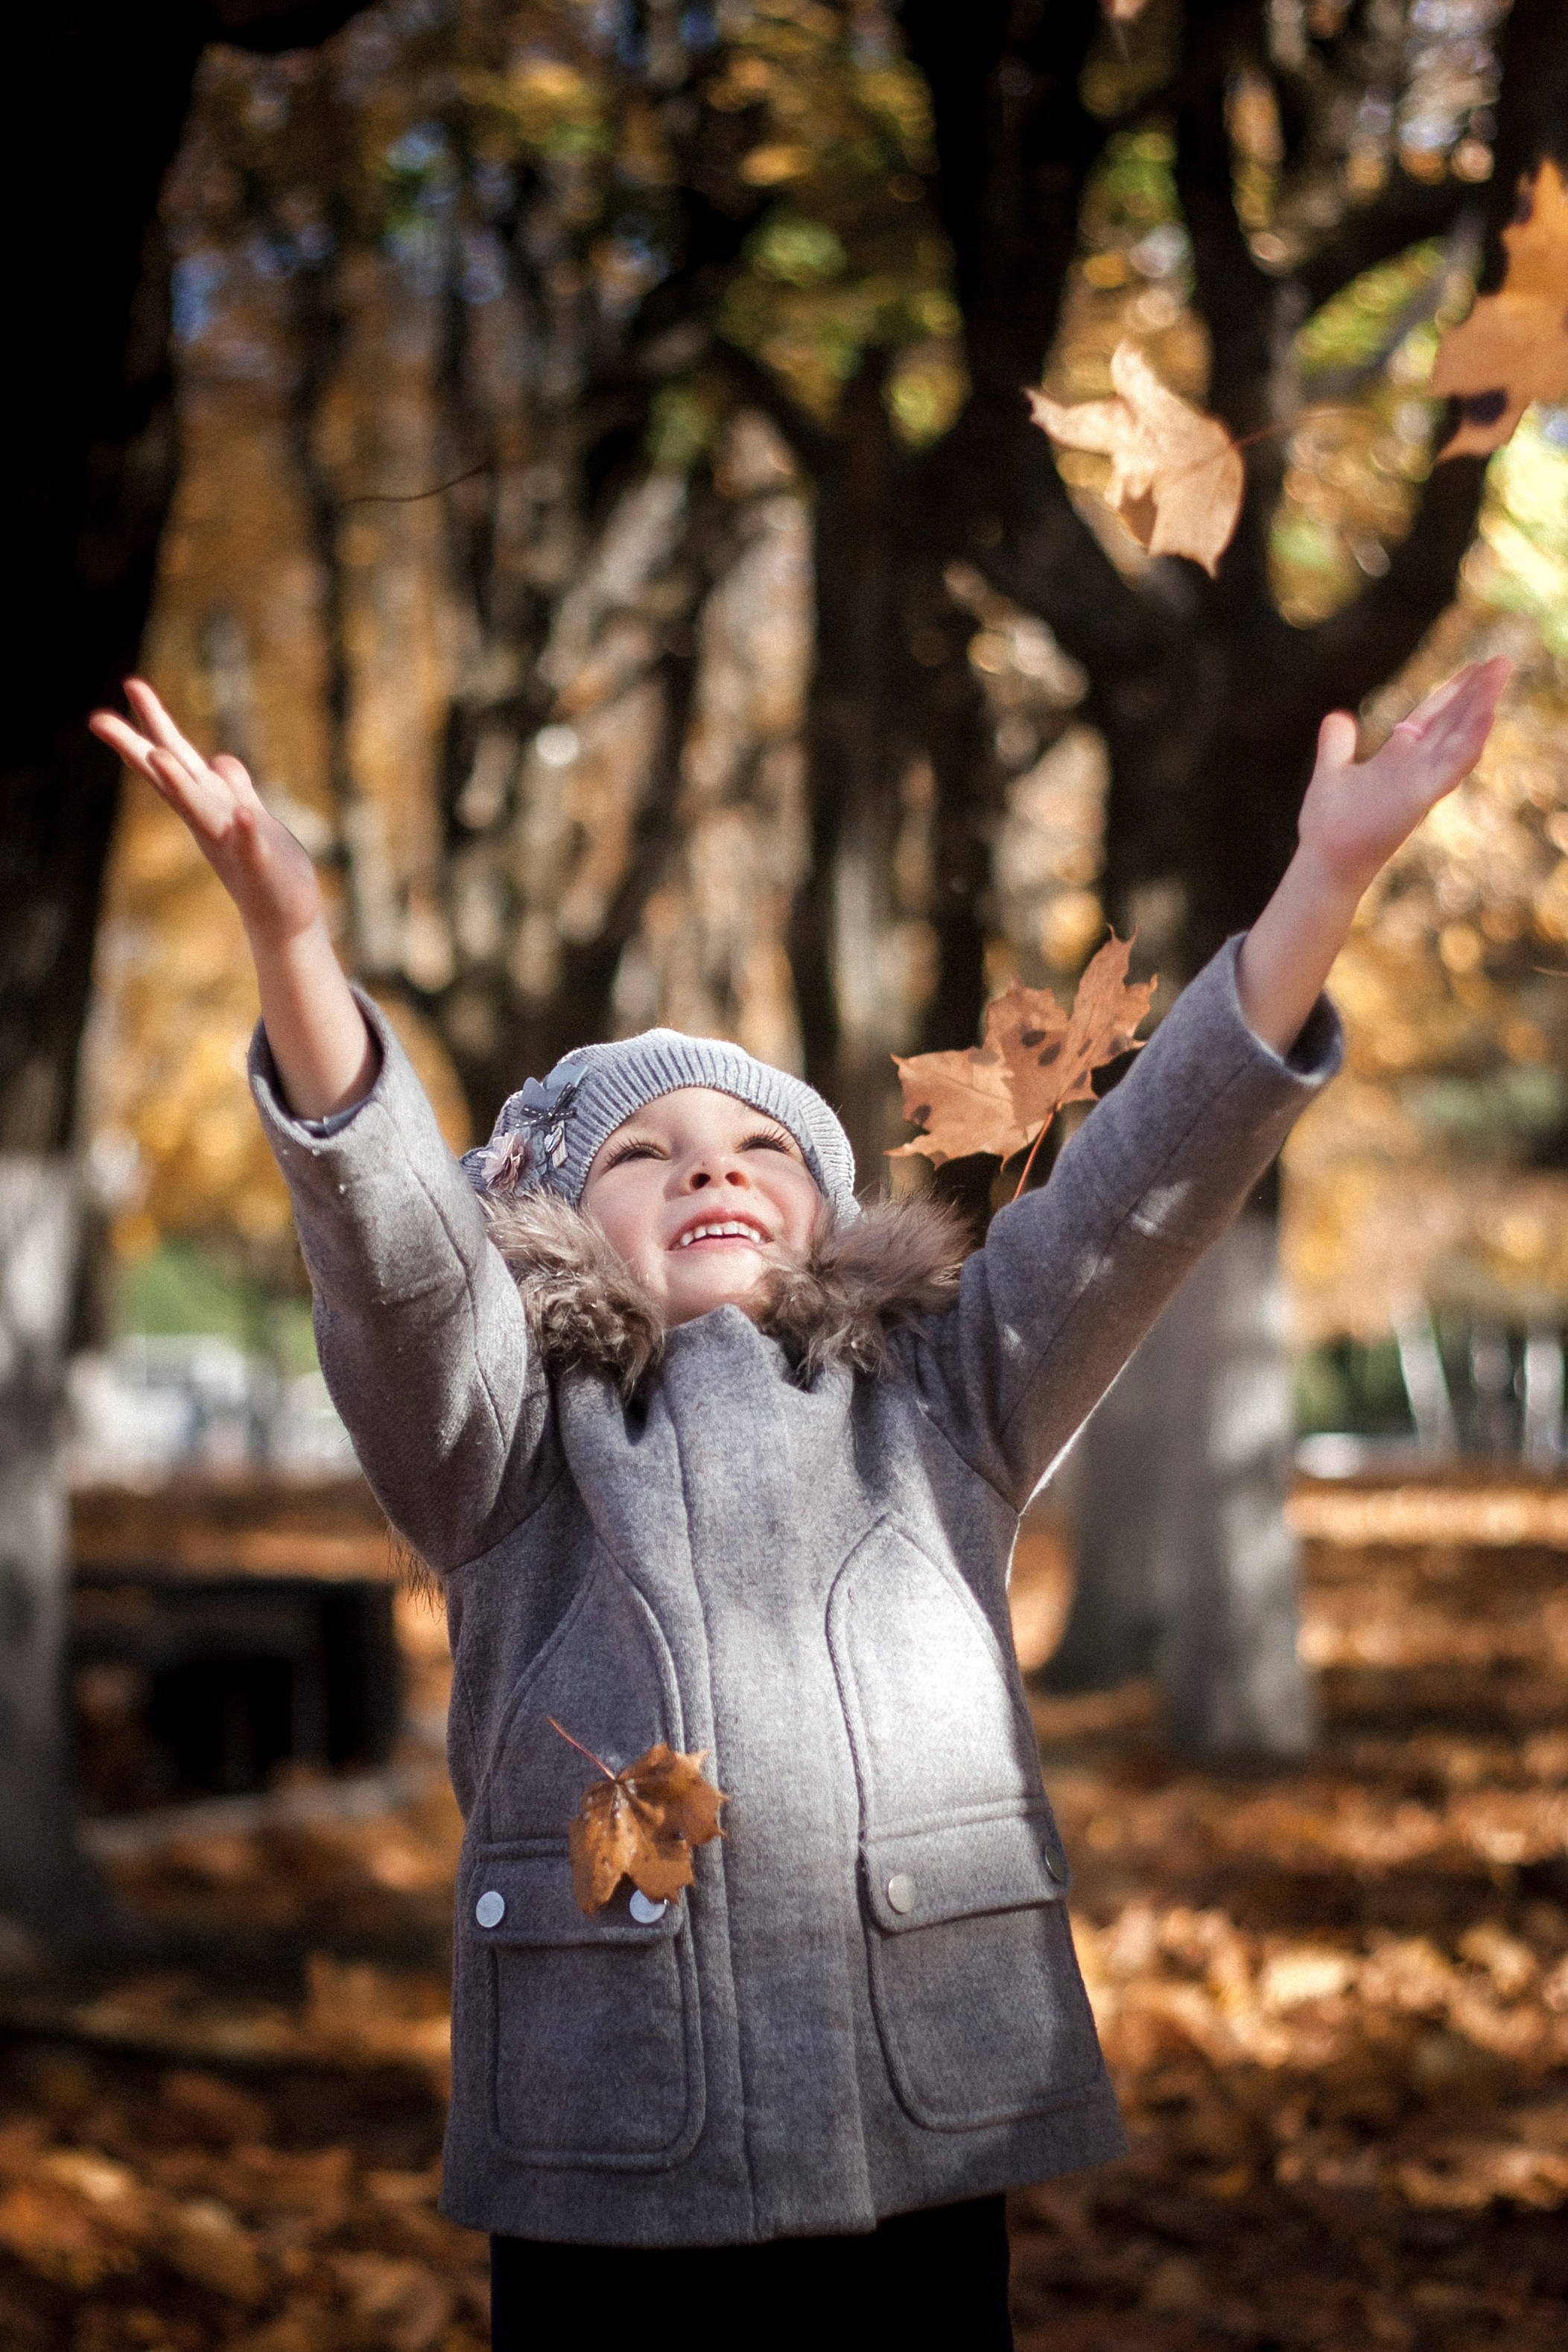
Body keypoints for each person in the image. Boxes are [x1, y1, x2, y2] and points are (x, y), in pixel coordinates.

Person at [92, 659, 1507, 2348]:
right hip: (616, 2137)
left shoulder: (947, 1393)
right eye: (645, 1152)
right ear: (546, 1222)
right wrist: (293, 947)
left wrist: (1324, 884)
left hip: (923, 2109)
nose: (710, 1166)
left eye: (760, 1146)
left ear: (823, 1209)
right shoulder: (503, 1445)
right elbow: (393, 1265)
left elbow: (1147, 1188)